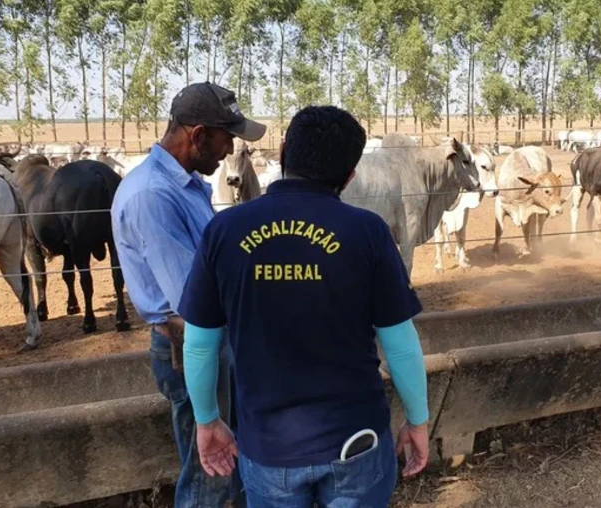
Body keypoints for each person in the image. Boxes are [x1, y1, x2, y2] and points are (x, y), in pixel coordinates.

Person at [176, 105, 430, 507]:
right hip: (356, 442)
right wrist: (417, 420)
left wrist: (206, 421)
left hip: (268, 449)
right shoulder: (368, 232)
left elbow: (199, 345)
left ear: (281, 156)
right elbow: (400, 343)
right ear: (349, 176)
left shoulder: (223, 231)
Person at [111, 82, 266, 507]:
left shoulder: (184, 185)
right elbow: (191, 299)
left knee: (224, 464)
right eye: (225, 137)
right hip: (191, 346)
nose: (229, 147)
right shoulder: (154, 196)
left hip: (209, 343)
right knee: (208, 477)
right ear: (198, 135)